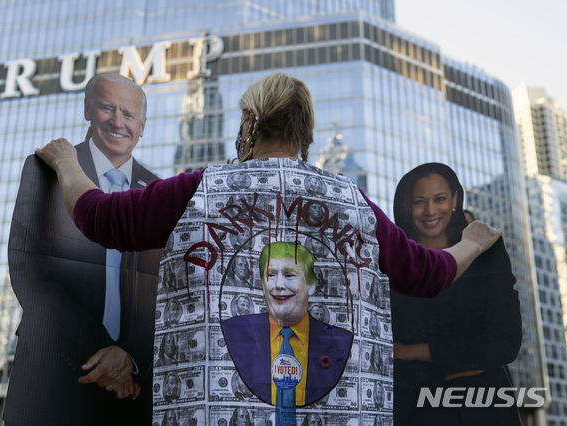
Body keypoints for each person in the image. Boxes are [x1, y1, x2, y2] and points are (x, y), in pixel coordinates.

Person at [35, 72, 503, 423]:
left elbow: (102, 218)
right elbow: (427, 273)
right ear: (305, 134)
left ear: (251, 121)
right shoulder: (351, 201)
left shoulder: (201, 187)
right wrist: (472, 243)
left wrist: (66, 162)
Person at [3, 73, 162, 425]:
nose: (118, 122)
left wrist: (131, 359)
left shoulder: (157, 192)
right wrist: (105, 357)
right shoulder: (46, 170)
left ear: (143, 125)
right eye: (107, 108)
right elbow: (30, 272)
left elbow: (162, 291)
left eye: (129, 115)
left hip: (131, 394)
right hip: (52, 381)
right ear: (88, 109)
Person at [390, 163, 522, 425]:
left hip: (483, 410)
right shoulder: (395, 261)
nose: (430, 211)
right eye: (419, 202)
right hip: (414, 412)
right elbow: (386, 354)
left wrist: (410, 351)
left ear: (455, 199)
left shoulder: (486, 250)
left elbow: (504, 342)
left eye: (439, 199)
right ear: (406, 206)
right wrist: (461, 362)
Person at [222, 242, 353, 406]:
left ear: (311, 285)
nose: (279, 285)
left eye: (289, 275)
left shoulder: (342, 341)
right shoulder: (232, 331)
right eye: (270, 275)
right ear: (263, 285)